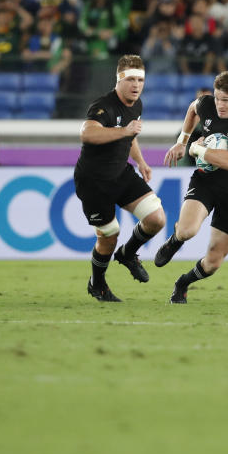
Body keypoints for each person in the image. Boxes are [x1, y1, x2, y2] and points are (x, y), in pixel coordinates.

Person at [155, 71, 228, 304]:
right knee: (187, 231)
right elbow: (193, 108)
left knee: (213, 262)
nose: (220, 105)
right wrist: (182, 142)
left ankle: (183, 282)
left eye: (226, 100)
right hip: (206, 181)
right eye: (218, 98)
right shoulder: (207, 104)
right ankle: (175, 240)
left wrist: (198, 150)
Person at [74, 54, 166, 302]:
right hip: (94, 181)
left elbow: (130, 135)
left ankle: (127, 254)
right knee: (109, 235)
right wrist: (124, 131)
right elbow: (87, 133)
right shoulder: (103, 105)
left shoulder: (136, 104)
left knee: (156, 219)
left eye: (140, 80)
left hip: (121, 173)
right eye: (131, 79)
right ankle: (98, 284)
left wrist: (141, 161)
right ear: (119, 79)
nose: (136, 85)